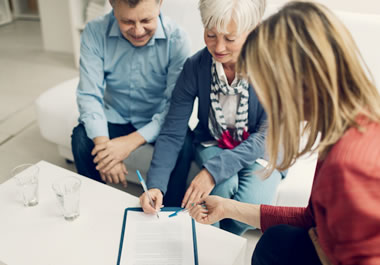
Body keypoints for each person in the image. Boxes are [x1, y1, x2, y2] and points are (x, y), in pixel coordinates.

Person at [189, 1, 380, 264]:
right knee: (277, 241)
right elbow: (311, 220)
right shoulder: (343, 131)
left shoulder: (350, 165)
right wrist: (228, 208)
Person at [140, 0, 283, 236]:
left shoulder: (275, 68)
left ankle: (221, 246)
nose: (218, 47)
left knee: (246, 211)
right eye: (211, 34)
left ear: (254, 29)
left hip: (263, 150)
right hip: (214, 142)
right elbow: (173, 130)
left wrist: (211, 171)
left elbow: (267, 135)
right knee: (216, 194)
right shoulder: (195, 66)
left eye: (230, 38)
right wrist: (155, 186)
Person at [71, 0, 191, 189]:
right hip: (115, 114)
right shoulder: (95, 31)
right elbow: (89, 95)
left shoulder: (177, 40)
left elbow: (175, 106)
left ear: (159, 3)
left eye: (146, 20)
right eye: (127, 22)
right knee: (81, 139)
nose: (138, 31)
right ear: (112, 5)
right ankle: (93, 203)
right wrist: (106, 150)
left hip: (156, 119)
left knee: (184, 143)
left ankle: (168, 210)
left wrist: (127, 144)